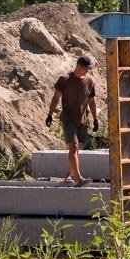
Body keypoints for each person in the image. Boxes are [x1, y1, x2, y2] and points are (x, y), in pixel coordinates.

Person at [46, 54, 100, 185]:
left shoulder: (89, 81)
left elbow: (92, 102)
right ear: (78, 66)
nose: (87, 71)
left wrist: (95, 119)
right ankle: (78, 178)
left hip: (82, 120)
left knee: (75, 149)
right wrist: (50, 114)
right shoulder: (65, 80)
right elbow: (56, 98)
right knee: (74, 146)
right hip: (68, 118)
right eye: (85, 68)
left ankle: (68, 176)